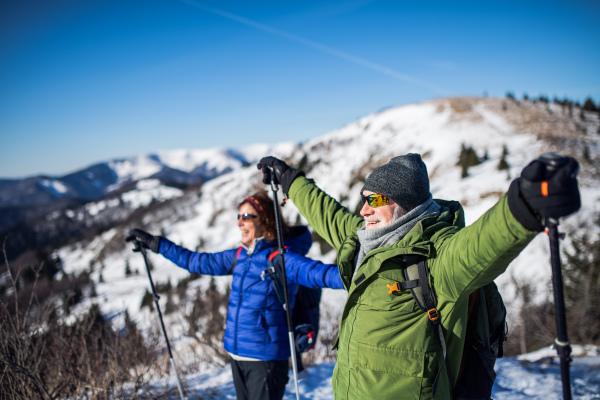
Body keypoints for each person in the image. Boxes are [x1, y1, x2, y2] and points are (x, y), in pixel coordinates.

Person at [257, 153, 580, 400]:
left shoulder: (437, 258)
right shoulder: (365, 240)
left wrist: (523, 206)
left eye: (375, 200)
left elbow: (481, 246)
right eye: (364, 199)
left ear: (407, 206)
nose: (364, 210)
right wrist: (289, 179)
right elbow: (325, 212)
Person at [126, 190, 343, 400]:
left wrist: (359, 275)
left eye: (247, 216)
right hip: (237, 355)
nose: (240, 221)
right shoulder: (240, 256)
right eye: (239, 216)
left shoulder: (282, 258)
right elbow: (196, 261)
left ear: (266, 220)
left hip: (265, 359)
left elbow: (320, 274)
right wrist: (157, 244)